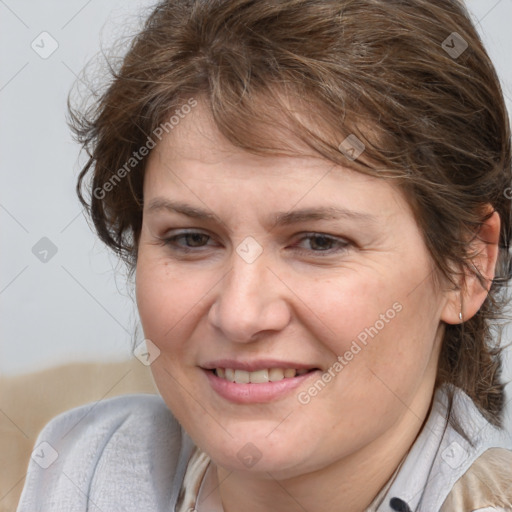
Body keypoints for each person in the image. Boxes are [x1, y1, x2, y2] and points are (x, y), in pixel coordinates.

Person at [17, 0, 512, 511]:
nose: (240, 314)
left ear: (464, 266)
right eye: (191, 238)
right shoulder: (82, 472)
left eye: (320, 241)